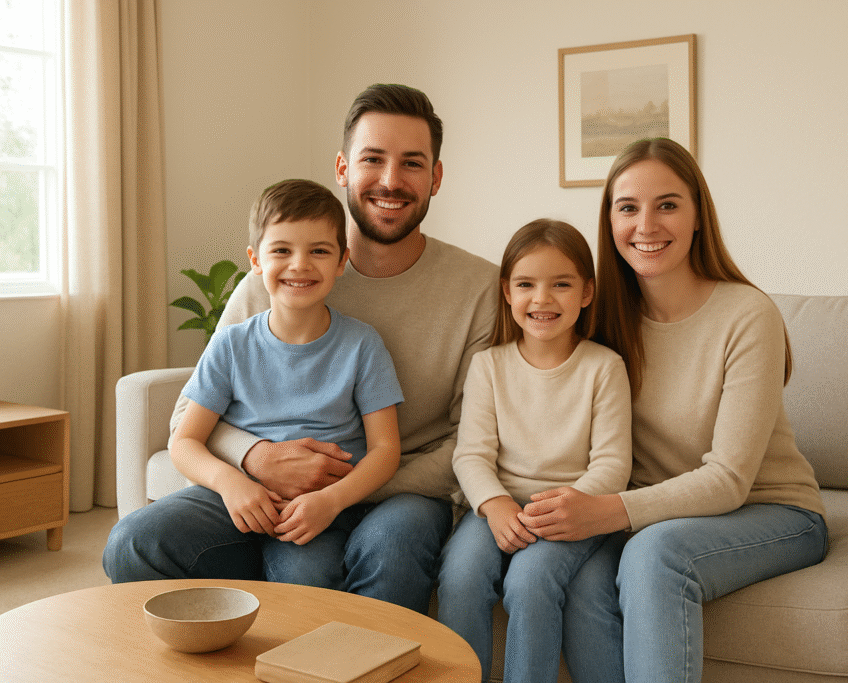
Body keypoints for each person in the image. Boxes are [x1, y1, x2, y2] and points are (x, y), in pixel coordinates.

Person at [104, 85, 497, 613]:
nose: (390, 180)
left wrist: (334, 491)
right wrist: (259, 461)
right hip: (263, 486)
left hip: (398, 490)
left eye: (412, 163)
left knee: (389, 547)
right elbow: (188, 422)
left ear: (436, 177)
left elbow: (472, 438)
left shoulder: (479, 290)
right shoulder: (268, 282)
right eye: (372, 160)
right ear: (342, 168)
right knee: (133, 544)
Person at [518, 138, 829, 682]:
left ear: (697, 217)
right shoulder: (605, 320)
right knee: (587, 582)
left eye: (667, 204)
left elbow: (730, 480)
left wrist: (606, 511)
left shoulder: (746, 315)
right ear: (609, 221)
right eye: (628, 207)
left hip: (773, 512)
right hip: (657, 515)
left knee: (652, 556)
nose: (646, 225)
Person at [116, 179, 403, 585]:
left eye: (318, 251)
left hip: (316, 509)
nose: (299, 264)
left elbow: (386, 449)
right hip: (237, 496)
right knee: (130, 540)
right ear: (256, 260)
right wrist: (231, 483)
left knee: (309, 580)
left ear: (342, 261)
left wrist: (330, 501)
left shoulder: (362, 344)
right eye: (281, 250)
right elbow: (183, 441)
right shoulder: (232, 344)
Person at [437, 219, 631, 683]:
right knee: (461, 578)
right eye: (526, 284)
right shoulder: (488, 365)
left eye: (560, 285)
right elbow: (471, 455)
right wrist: (496, 504)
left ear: (586, 292)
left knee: (528, 582)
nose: (542, 299)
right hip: (497, 507)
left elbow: (612, 465)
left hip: (574, 513)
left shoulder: (604, 367)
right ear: (507, 291)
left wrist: (565, 509)